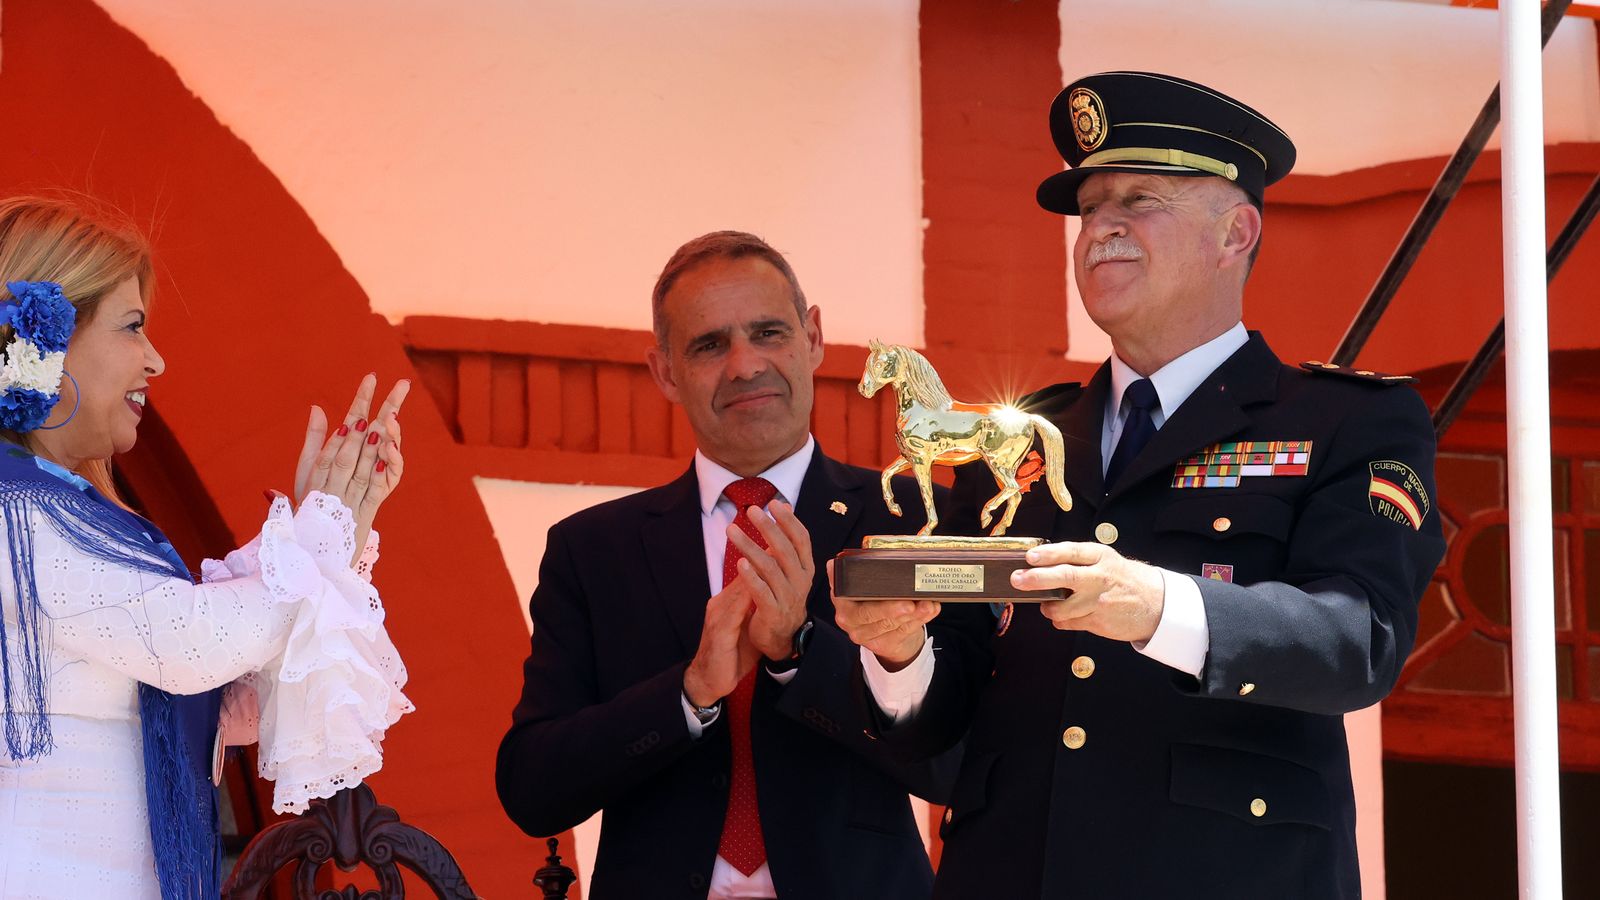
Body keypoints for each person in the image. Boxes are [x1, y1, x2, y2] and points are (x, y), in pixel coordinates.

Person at [832, 72, 1447, 899]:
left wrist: (1157, 606)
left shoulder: (1346, 421)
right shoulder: (1022, 435)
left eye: (1139, 200)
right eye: (1090, 208)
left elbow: (1358, 641)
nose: (1100, 229)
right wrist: (898, 651)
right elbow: (945, 729)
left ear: (1235, 234)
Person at [496, 231, 955, 900]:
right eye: (709, 345)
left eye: (768, 333)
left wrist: (801, 653)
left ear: (813, 337)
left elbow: (956, 767)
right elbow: (532, 790)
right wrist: (686, 695)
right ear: (665, 372)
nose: (744, 366)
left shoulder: (917, 521)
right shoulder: (592, 550)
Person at [0, 195, 414, 899]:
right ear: (51, 338)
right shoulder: (15, 510)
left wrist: (333, 536)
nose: (155, 360)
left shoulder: (68, 514)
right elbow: (186, 642)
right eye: (133, 327)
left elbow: (221, 688)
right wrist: (316, 540)